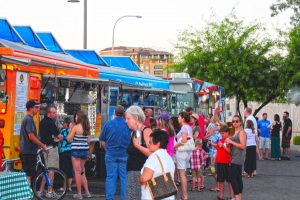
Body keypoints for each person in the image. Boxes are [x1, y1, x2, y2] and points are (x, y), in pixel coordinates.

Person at [99, 105, 131, 200]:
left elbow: (102, 140)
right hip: (124, 155)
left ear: (114, 113)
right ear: (124, 114)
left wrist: (107, 149)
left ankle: (110, 198)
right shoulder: (127, 124)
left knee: (110, 178)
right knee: (124, 178)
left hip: (111, 154)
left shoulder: (108, 124)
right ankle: (124, 198)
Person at [125, 105, 152, 200]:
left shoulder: (146, 131)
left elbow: (152, 153)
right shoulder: (134, 132)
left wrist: (137, 146)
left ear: (136, 118)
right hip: (132, 172)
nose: (126, 121)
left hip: (142, 173)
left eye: (128, 118)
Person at [139, 130, 175, 200]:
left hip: (152, 196)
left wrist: (140, 180)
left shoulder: (153, 158)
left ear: (158, 143)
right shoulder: (169, 158)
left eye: (150, 142)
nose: (148, 144)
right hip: (168, 196)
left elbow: (144, 179)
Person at [20, 100, 46, 183]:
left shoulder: (28, 119)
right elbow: (31, 137)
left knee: (28, 173)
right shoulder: (29, 120)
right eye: (36, 107)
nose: (38, 109)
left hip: (27, 150)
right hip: (29, 151)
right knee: (29, 174)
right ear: (31, 108)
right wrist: (42, 145)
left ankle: (28, 193)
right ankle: (28, 194)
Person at [39, 105, 63, 198]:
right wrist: (57, 138)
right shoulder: (50, 123)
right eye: (54, 113)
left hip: (45, 148)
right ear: (48, 113)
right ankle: (50, 191)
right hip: (51, 149)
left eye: (56, 112)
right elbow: (59, 136)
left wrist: (55, 137)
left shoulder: (42, 122)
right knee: (51, 170)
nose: (56, 114)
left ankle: (40, 191)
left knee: (47, 170)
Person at [67, 111, 91, 199]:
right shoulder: (87, 128)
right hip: (84, 151)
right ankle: (87, 192)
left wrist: (70, 129)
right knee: (82, 171)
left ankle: (79, 194)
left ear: (79, 117)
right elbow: (88, 141)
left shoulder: (75, 127)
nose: (75, 118)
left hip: (76, 150)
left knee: (77, 172)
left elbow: (69, 139)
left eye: (76, 116)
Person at [225, 115, 246, 200]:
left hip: (237, 158)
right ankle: (239, 197)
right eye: (233, 121)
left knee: (233, 178)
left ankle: (237, 197)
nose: (235, 123)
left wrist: (230, 141)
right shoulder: (236, 132)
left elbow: (242, 146)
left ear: (240, 122)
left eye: (237, 121)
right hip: (234, 157)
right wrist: (229, 142)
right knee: (237, 178)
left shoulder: (242, 132)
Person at [174, 112, 193, 200]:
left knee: (182, 175)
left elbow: (184, 140)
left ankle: (185, 196)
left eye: (179, 117)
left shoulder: (184, 127)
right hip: (187, 152)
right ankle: (184, 195)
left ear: (183, 118)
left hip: (182, 152)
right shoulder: (188, 127)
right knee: (183, 174)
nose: (178, 118)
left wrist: (175, 146)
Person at [215, 125, 233, 200]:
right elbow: (218, 150)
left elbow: (230, 151)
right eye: (221, 133)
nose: (222, 135)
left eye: (223, 133)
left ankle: (232, 196)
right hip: (219, 162)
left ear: (227, 133)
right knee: (220, 180)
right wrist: (215, 159)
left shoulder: (229, 140)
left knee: (229, 180)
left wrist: (223, 146)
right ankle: (221, 196)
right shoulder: (220, 140)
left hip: (227, 163)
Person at [58, 117, 73, 192]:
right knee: (70, 169)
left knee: (64, 169)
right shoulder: (72, 131)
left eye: (63, 123)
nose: (63, 124)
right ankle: (69, 187)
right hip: (71, 151)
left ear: (66, 124)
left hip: (64, 152)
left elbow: (59, 139)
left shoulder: (63, 130)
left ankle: (64, 187)